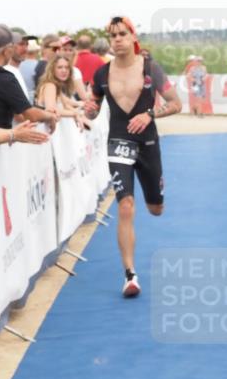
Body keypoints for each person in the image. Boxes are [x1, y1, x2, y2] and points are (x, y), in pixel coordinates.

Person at [84, 16, 182, 297]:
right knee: (125, 205)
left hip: (148, 143)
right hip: (119, 143)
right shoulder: (102, 74)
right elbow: (93, 107)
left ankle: (156, 196)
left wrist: (149, 113)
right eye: (112, 35)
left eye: (122, 34)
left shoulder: (151, 68)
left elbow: (177, 103)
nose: (117, 39)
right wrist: (88, 110)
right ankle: (130, 274)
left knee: (155, 208)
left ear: (132, 37)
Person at [0, 24, 58, 136]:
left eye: (26, 44)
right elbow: (27, 114)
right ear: (7, 50)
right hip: (1, 142)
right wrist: (49, 116)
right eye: (19, 44)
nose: (25, 48)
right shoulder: (5, 76)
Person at [36, 54, 90, 129]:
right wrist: (74, 114)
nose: (64, 70)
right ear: (52, 70)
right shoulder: (50, 86)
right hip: (51, 130)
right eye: (59, 67)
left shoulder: (56, 85)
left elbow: (65, 104)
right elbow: (51, 110)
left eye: (67, 67)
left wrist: (79, 111)